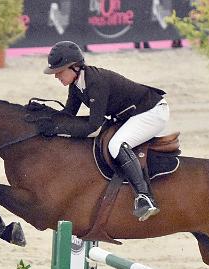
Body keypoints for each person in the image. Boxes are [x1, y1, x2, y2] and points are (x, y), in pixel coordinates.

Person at [42, 41, 169, 222]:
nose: (56, 76)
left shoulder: (96, 82)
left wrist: (56, 129)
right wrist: (46, 117)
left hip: (151, 112)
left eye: (59, 71)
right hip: (131, 115)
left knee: (116, 145)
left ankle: (144, 197)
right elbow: (69, 114)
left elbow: (94, 125)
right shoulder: (78, 84)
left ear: (75, 67)